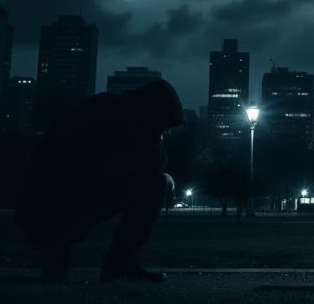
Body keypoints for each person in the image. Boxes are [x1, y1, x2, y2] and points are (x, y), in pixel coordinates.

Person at [15, 79, 186, 282]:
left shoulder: (106, 110)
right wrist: (157, 148)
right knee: (158, 184)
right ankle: (118, 261)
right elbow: (152, 168)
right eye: (164, 126)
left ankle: (61, 253)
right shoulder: (123, 124)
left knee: (154, 182)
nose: (163, 132)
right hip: (54, 202)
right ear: (154, 116)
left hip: (42, 202)